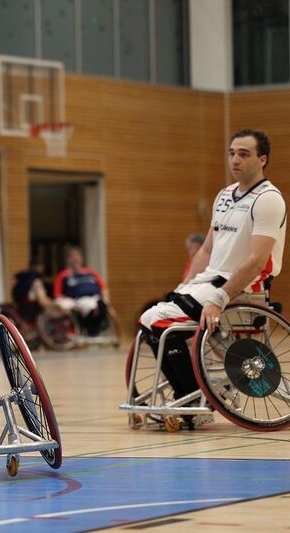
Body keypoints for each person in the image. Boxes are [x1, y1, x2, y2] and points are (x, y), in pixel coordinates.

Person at [139, 129, 285, 415]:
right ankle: (191, 393)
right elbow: (206, 251)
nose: (235, 160)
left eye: (244, 154)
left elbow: (257, 261)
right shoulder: (224, 195)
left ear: (262, 160)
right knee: (152, 320)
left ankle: (191, 397)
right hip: (208, 281)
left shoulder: (268, 199)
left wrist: (219, 298)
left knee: (155, 320)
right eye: (232, 153)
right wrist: (185, 286)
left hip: (243, 286)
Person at [53, 246, 110, 336]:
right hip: (74, 300)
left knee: (98, 305)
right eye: (73, 257)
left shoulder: (92, 272)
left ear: (81, 258)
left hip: (93, 298)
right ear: (68, 259)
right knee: (66, 305)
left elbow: (103, 288)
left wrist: (106, 299)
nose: (76, 259)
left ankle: (94, 328)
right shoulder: (63, 275)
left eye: (77, 257)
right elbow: (58, 295)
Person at [11, 257, 53, 324]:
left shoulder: (21, 278)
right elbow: (42, 301)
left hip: (19, 311)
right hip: (32, 313)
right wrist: (55, 304)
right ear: (37, 266)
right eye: (41, 266)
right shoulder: (35, 281)